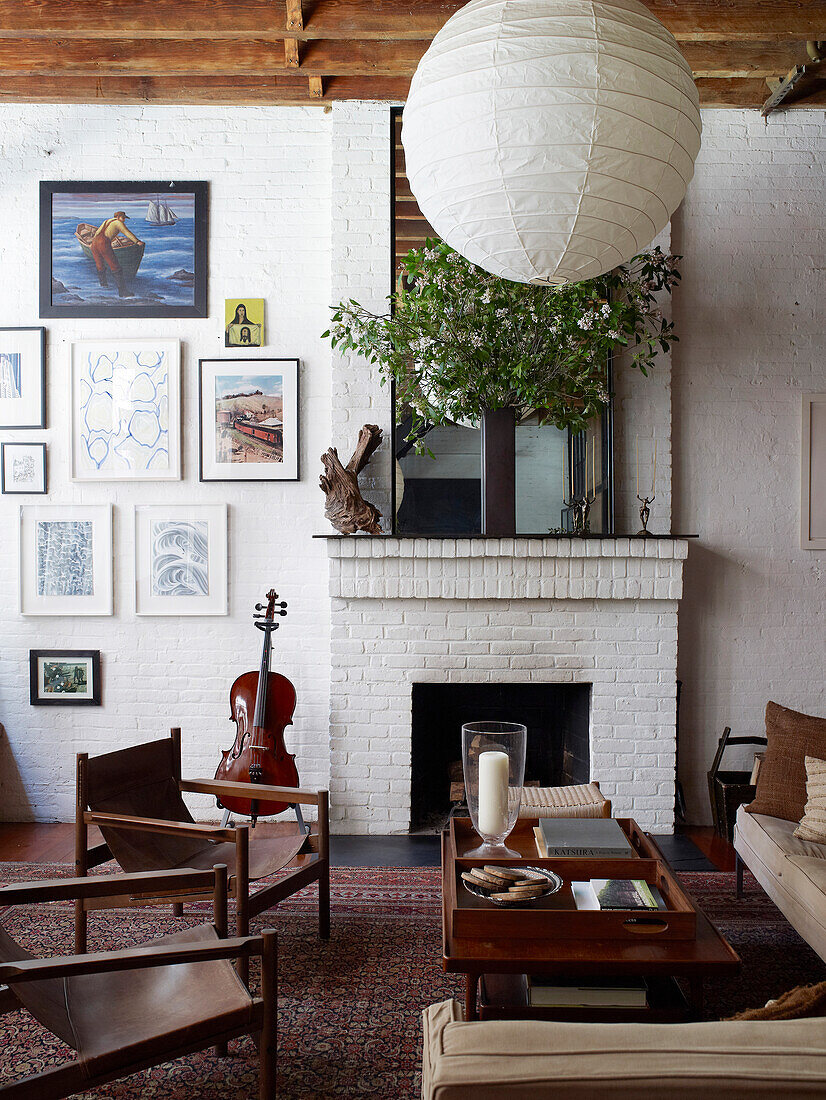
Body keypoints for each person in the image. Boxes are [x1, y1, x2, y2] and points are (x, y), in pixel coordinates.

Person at [89, 211, 142, 298]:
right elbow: (126, 232)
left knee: (100, 265)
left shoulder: (107, 221)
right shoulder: (118, 223)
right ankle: (123, 292)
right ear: (118, 217)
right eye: (123, 218)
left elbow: (97, 232)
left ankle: (103, 285)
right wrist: (137, 241)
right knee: (116, 267)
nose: (124, 220)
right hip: (103, 243)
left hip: (94, 243)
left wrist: (93, 243)